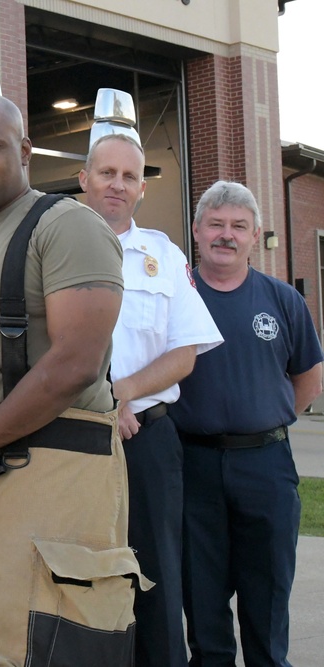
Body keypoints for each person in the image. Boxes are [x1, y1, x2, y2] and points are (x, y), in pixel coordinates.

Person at [0, 93, 145, 666]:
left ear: (23, 151)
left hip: (50, 475)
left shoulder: (67, 226)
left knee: (33, 653)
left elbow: (76, 364)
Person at [79, 132, 223, 667]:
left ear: (141, 187)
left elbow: (185, 352)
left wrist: (122, 394)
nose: (117, 184)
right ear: (84, 179)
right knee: (76, 575)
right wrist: (98, 403)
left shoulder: (164, 254)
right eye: (106, 172)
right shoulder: (47, 243)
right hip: (71, 440)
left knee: (156, 575)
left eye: (129, 176)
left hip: (148, 441)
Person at [170, 180, 323, 667]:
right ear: (197, 231)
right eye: (216, 224)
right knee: (204, 604)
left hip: (267, 468)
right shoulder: (175, 298)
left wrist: (262, 423)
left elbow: (308, 376)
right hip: (192, 467)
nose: (226, 235)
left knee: (268, 603)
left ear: (256, 235)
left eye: (238, 226)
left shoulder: (282, 301)